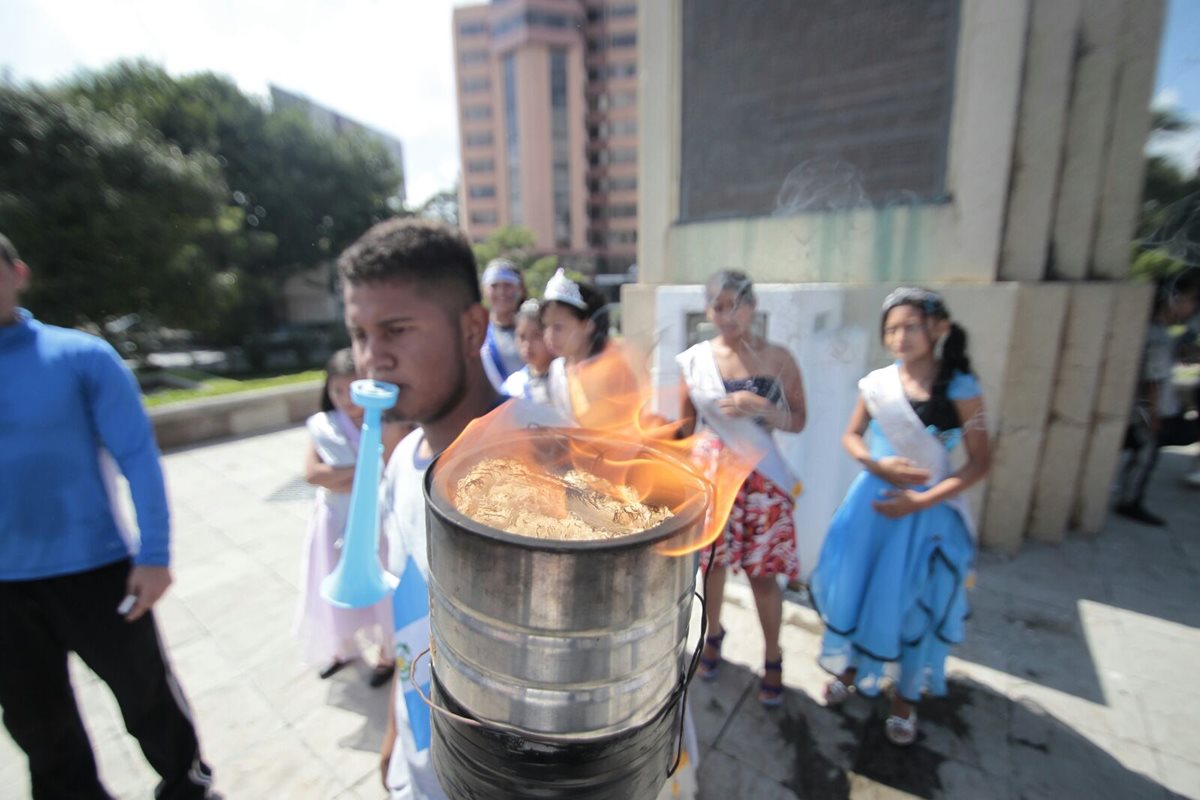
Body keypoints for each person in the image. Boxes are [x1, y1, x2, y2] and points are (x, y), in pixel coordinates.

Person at [339, 220, 696, 800]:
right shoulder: (403, 460)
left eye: (396, 330)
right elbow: (410, 615)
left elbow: (636, 659)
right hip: (428, 767)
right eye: (359, 334)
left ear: (471, 327)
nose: (372, 359)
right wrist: (395, 734)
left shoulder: (556, 454)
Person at [0, 233, 213, 798]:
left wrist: (155, 554)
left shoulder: (80, 356)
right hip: (4, 587)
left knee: (146, 696)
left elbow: (137, 455)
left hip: (96, 570)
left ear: (17, 272)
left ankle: (187, 786)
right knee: (36, 722)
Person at [809, 287, 990, 747]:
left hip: (927, 519)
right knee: (863, 590)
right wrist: (875, 463)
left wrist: (922, 501)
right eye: (891, 329)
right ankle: (851, 669)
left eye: (909, 326)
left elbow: (980, 463)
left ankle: (905, 698)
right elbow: (852, 436)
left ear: (938, 328)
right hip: (872, 508)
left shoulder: (962, 389)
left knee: (913, 607)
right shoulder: (877, 385)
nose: (899, 336)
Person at [675, 270, 807, 709]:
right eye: (718, 306)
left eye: (736, 305)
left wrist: (763, 408)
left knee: (762, 574)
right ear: (707, 310)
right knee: (710, 566)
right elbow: (683, 428)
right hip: (711, 478)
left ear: (752, 307)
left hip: (761, 482)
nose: (727, 315)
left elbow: (799, 420)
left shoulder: (780, 358)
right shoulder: (695, 360)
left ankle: (773, 655)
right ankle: (713, 636)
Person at [296, 348, 402, 685]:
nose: (344, 399)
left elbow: (389, 467)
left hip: (375, 521)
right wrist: (364, 468)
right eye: (336, 390)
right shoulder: (322, 425)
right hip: (333, 517)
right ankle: (342, 648)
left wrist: (344, 474)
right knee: (330, 580)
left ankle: (387, 655)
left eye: (350, 388)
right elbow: (313, 474)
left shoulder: (386, 421)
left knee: (381, 587)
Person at [1115, 269, 1200, 523]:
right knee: (1145, 455)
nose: (1192, 306)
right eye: (1190, 300)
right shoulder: (1158, 337)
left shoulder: (1157, 333)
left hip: (1148, 407)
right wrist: (1152, 413)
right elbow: (1152, 380)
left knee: (1143, 452)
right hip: (1148, 409)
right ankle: (1130, 500)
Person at [541, 268, 638, 424]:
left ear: (588, 326)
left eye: (558, 327)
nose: (549, 336)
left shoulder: (613, 367)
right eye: (546, 326)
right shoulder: (558, 369)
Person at [479, 257, 527, 390]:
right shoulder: (478, 334)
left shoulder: (535, 330)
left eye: (508, 285)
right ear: (484, 291)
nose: (501, 292)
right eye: (494, 286)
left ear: (521, 289)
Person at [500, 298, 554, 404]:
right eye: (522, 337)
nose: (527, 345)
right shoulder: (513, 386)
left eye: (536, 336)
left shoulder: (566, 376)